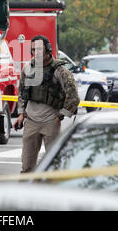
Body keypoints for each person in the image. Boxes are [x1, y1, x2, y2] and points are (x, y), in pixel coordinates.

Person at [13, 35, 80, 173]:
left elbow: (73, 95)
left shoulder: (59, 70)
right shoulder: (28, 68)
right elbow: (22, 93)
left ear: (48, 49)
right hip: (31, 121)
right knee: (27, 167)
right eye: (33, 50)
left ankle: (53, 193)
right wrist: (21, 114)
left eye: (39, 49)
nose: (35, 53)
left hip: (51, 122)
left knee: (54, 167)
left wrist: (60, 116)